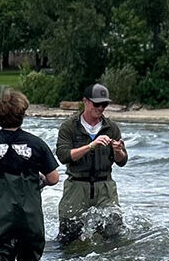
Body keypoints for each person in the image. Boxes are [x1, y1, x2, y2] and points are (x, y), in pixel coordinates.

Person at [0, 88, 60, 261]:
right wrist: (39, 178)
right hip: (30, 221)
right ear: (22, 114)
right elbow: (53, 178)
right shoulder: (37, 144)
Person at [55, 82, 128, 244]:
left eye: (104, 104)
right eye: (97, 104)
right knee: (68, 236)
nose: (101, 108)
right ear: (85, 101)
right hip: (76, 187)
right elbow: (63, 155)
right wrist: (90, 146)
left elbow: (122, 161)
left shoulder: (111, 128)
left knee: (114, 233)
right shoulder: (69, 127)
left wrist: (118, 151)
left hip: (105, 187)